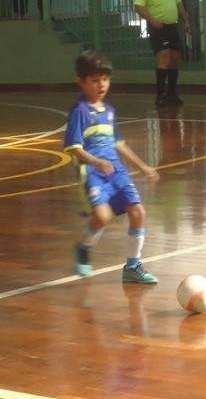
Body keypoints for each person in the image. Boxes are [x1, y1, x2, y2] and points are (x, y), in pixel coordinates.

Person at [65, 50, 160, 283]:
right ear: (81, 80)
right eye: (95, 80)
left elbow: (119, 144)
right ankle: (83, 248)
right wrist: (96, 161)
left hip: (116, 171)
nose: (101, 85)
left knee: (138, 212)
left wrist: (144, 166)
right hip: (93, 172)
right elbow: (72, 147)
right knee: (102, 216)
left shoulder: (109, 111)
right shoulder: (79, 112)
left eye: (105, 79)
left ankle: (133, 266)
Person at [134, 0, 190, 106]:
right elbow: (139, 6)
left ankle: (172, 93)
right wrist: (151, 20)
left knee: (176, 58)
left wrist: (186, 20)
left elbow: (178, 2)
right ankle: (160, 95)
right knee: (164, 57)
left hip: (173, 26)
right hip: (158, 27)